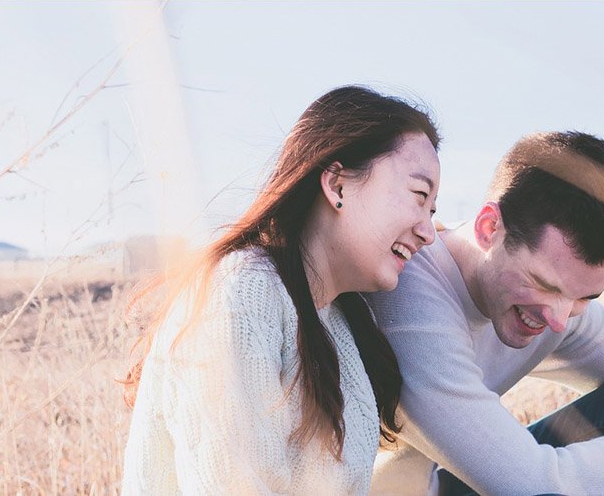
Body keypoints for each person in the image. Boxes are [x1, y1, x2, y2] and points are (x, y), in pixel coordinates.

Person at [365, 131, 604, 495]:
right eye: (545, 284)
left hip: (448, 482)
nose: (559, 318)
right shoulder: (410, 293)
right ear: (488, 228)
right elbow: (530, 484)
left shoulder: (557, 307)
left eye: (585, 297)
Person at [120, 85, 441, 495]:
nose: (428, 232)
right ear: (338, 185)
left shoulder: (338, 322)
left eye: (433, 212)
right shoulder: (240, 292)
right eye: (418, 197)